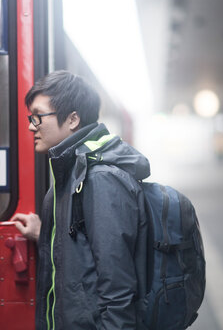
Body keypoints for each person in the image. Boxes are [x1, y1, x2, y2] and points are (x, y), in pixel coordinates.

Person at [12, 70, 151, 329]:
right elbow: (86, 245)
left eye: (38, 117)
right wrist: (45, 233)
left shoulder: (100, 179)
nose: (32, 125)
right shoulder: (72, 174)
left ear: (73, 119)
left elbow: (118, 287)